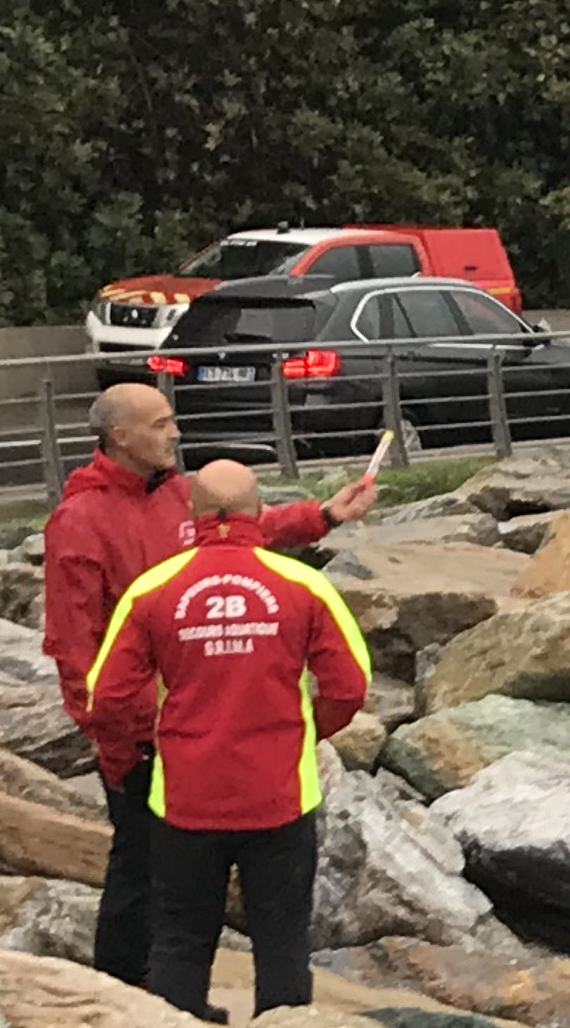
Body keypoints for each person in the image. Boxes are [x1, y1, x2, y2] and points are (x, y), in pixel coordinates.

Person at [40, 384, 372, 988]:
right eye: (162, 424)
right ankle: (124, 992)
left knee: (174, 889)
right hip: (140, 736)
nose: (175, 434)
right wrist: (120, 747)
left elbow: (238, 531)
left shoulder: (172, 494)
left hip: (188, 731)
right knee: (140, 871)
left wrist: (321, 516)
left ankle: (173, 1001)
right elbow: (75, 645)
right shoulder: (81, 519)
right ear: (120, 436)